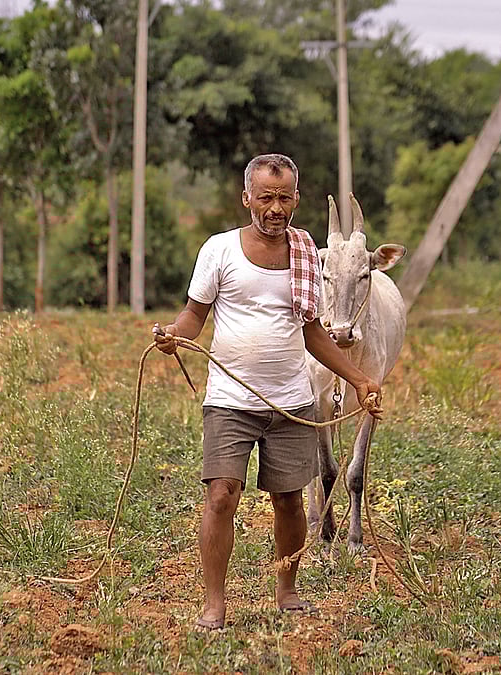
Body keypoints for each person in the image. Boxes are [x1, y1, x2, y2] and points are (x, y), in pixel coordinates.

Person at [153, 153, 383, 631]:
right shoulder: (218, 251)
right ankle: (214, 605)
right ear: (247, 199)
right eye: (266, 197)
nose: (275, 208)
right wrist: (176, 334)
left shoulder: (305, 253)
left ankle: (288, 589)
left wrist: (359, 380)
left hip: (290, 400)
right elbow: (195, 315)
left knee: (289, 500)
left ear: (296, 199)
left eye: (284, 197)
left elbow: (314, 333)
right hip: (230, 401)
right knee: (221, 495)